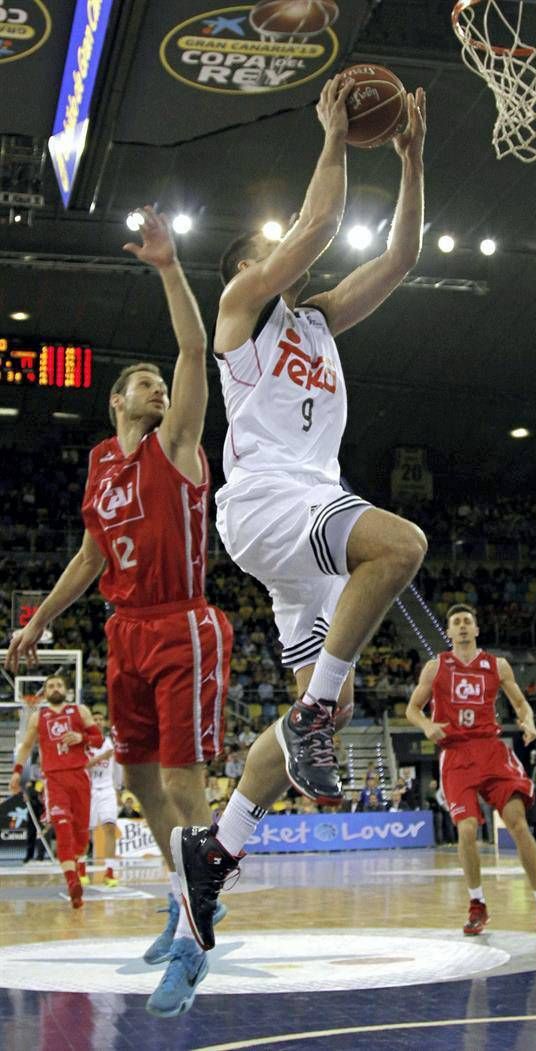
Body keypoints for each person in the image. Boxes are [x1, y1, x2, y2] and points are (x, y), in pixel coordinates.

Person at [171, 75, 427, 953]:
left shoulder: (316, 320)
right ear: (246, 268)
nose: (288, 254)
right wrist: (330, 133)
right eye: (268, 250)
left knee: (331, 699)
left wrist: (411, 160)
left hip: (304, 521)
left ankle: (217, 846)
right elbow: (314, 226)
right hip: (272, 500)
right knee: (400, 545)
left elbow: (399, 262)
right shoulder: (239, 310)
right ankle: (316, 715)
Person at [4, 207, 234, 1017]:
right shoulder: (103, 465)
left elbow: (194, 348)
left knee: (182, 777)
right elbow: (92, 557)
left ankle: (198, 937)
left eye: (159, 383)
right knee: (138, 778)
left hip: (183, 622)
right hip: (123, 630)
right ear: (115, 402)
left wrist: (170, 267)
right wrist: (37, 623)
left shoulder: (177, 443)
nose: (158, 387)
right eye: (143, 382)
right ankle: (185, 893)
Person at [405, 604, 536, 935]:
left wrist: (529, 720)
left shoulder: (498, 665)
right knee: (466, 830)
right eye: (456, 622)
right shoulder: (436, 667)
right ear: (449, 632)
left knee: (518, 825)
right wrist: (426, 725)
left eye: (468, 621)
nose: (463, 626)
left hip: (491, 750)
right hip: (456, 754)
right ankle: (477, 904)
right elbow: (412, 708)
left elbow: (520, 703)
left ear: (477, 629)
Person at [9, 675, 102, 909]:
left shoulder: (80, 711)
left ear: (67, 690)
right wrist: (17, 771)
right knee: (62, 826)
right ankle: (73, 884)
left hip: (80, 776)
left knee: (81, 839)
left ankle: (75, 865)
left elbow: (99, 740)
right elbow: (26, 747)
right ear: (45, 692)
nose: (55, 688)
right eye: (50, 686)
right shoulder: (37, 716)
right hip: (54, 779)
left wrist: (82, 737)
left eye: (59, 684)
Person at [86, 711, 120, 885]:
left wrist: (119, 789)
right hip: (88, 790)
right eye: (95, 719)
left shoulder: (110, 743)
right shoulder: (85, 743)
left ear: (105, 722)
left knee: (109, 828)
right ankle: (81, 870)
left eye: (100, 719)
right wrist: (101, 757)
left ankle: (110, 872)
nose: (98, 722)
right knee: (85, 832)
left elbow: (117, 767)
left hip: (107, 789)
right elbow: (83, 765)